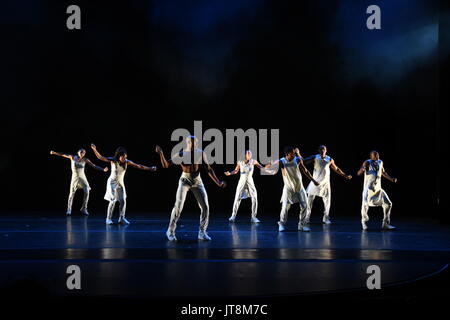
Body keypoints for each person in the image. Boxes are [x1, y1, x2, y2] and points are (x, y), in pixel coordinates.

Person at [156, 135, 226, 241]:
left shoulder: (201, 153)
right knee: (178, 207)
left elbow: (208, 169)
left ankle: (202, 232)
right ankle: (170, 231)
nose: (192, 144)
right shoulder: (181, 154)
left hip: (197, 181)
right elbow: (166, 165)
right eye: (190, 142)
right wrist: (161, 154)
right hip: (185, 180)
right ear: (187, 143)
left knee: (205, 206)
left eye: (194, 143)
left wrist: (218, 182)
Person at [91, 144, 157, 225]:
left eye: (125, 157)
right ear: (119, 156)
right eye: (123, 157)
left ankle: (121, 218)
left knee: (123, 200)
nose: (125, 159)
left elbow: (139, 166)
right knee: (112, 200)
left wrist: (150, 168)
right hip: (112, 182)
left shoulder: (127, 162)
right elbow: (100, 157)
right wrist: (94, 149)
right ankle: (108, 219)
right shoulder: (113, 160)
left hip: (120, 183)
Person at [266, 146, 319, 232]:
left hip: (299, 187)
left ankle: (302, 225)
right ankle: (282, 224)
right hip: (288, 188)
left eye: (294, 153)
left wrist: (314, 181)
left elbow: (305, 171)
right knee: (285, 207)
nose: (294, 154)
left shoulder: (297, 159)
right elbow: (267, 167)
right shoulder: (281, 161)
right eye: (292, 153)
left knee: (305, 205)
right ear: (287, 154)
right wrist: (270, 163)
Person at [50, 148, 108, 215]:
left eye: (84, 152)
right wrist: (54, 152)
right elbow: (63, 154)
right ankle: (69, 210)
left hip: (83, 178)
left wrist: (102, 169)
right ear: (78, 152)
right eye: (81, 152)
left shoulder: (85, 159)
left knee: (87, 191)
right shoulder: (72, 157)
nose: (82, 153)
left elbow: (94, 166)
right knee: (71, 194)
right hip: (74, 178)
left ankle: (84, 208)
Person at [303, 145, 352, 225]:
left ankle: (326, 218)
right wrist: (298, 154)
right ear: (318, 150)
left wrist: (344, 175)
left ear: (326, 150)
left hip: (325, 183)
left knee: (327, 201)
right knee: (309, 201)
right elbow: (304, 161)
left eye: (324, 149)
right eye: (321, 149)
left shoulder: (329, 159)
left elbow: (336, 169)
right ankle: (306, 218)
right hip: (315, 182)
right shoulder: (315, 157)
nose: (322, 150)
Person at [357, 151, 397, 230]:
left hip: (378, 189)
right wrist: (362, 169)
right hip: (368, 189)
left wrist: (391, 179)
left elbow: (383, 172)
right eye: (375, 156)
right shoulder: (367, 162)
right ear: (371, 156)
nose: (377, 157)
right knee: (365, 205)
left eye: (377, 155)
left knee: (388, 203)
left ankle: (385, 224)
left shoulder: (380, 162)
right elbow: (358, 173)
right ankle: (364, 223)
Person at [224, 150, 268, 223]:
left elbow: (262, 168)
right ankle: (233, 216)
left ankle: (253, 217)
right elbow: (236, 170)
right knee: (237, 198)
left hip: (250, 181)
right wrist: (230, 173)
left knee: (254, 198)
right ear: (245, 155)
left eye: (250, 153)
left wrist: (267, 167)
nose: (250, 155)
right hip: (242, 181)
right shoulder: (240, 162)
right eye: (248, 153)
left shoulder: (253, 161)